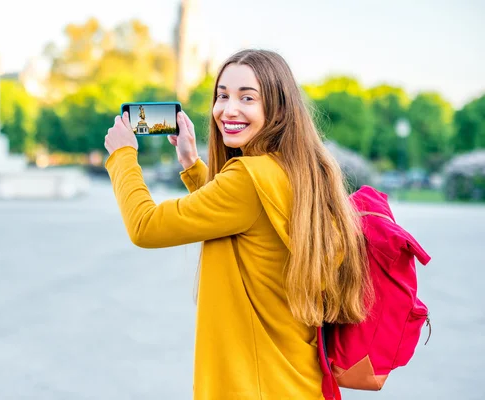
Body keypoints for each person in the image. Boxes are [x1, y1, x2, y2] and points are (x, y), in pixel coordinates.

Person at [104, 49, 371, 400]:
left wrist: (122, 156)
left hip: (251, 387)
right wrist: (190, 163)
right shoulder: (298, 173)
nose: (228, 110)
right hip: (295, 383)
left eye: (247, 98)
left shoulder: (248, 178)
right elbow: (244, 223)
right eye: (222, 96)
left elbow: (145, 226)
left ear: (277, 107)